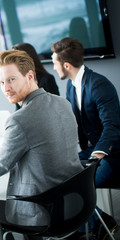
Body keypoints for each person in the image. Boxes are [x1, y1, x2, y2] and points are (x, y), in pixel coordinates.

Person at [0, 50, 84, 240]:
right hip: (73, 202)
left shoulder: (19, 120)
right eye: (2, 82)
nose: (6, 88)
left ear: (30, 76)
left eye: (11, 79)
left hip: (44, 211)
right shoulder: (63, 103)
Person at [51, 37, 119, 239]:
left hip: (112, 155)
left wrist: (97, 155)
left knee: (76, 185)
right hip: (90, 151)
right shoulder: (72, 86)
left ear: (66, 65)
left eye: (55, 63)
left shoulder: (99, 85)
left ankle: (86, 231)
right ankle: (99, 222)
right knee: (57, 176)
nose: (54, 68)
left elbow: (113, 126)